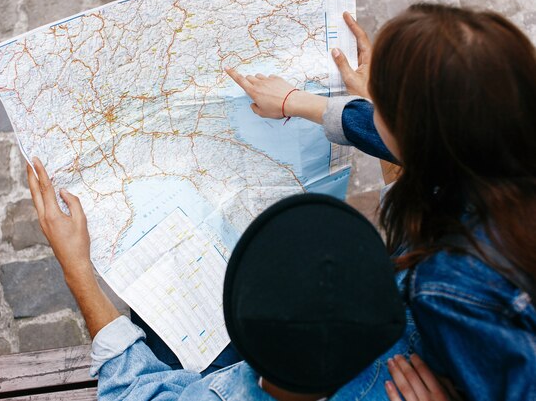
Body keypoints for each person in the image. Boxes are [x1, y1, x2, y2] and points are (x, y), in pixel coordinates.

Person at [226, 4, 536, 401]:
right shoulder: (500, 146)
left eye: (382, 106)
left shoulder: (446, 286)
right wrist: (298, 101)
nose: (371, 108)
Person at [27, 157, 432, 400]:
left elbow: (131, 391)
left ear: (258, 373)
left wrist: (77, 268)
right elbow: (423, 235)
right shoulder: (424, 348)